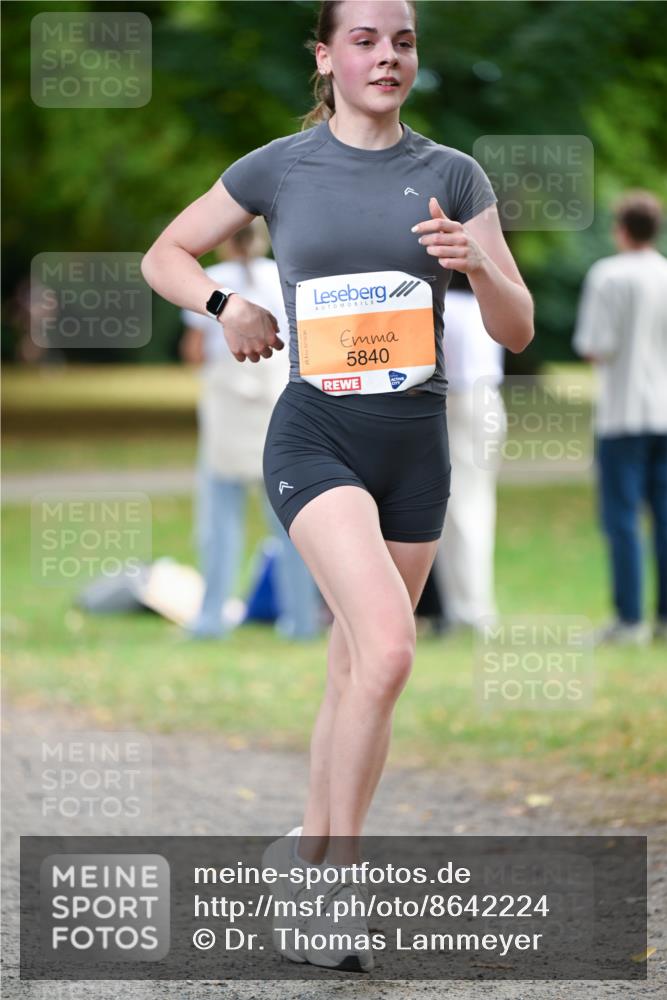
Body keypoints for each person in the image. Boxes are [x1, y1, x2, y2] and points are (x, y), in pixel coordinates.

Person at [141, 0, 534, 972]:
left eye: (401, 40)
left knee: (355, 667)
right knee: (391, 650)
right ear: (325, 55)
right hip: (314, 438)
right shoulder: (279, 165)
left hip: (416, 447)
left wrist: (477, 263)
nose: (386, 55)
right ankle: (332, 878)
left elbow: (517, 328)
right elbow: (165, 253)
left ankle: (303, 852)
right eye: (363, 38)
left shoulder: (452, 174)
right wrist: (228, 304)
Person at [179, 219, 323, 641]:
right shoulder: (284, 277)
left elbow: (193, 351)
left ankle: (211, 618)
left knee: (219, 520)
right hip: (277, 406)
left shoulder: (210, 284)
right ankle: (300, 619)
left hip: (227, 410)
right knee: (290, 521)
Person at [573, 190, 667, 646]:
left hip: (623, 413)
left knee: (623, 519)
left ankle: (629, 620)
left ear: (622, 228)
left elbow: (596, 345)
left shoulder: (608, 276)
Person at [432, 269, 506, 631]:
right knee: (476, 505)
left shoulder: (448, 308)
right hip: (489, 403)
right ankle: (470, 604)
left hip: (459, 403)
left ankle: (467, 607)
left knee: (458, 510)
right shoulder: (482, 306)